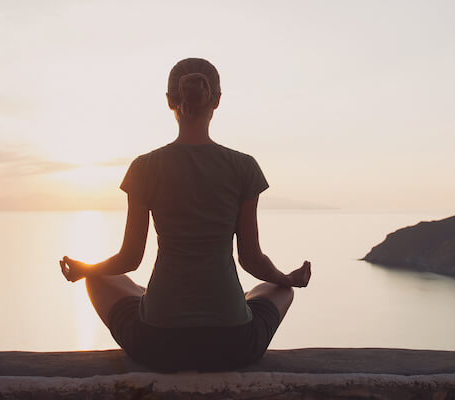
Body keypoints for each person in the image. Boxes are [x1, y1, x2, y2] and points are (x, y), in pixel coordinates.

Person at [59, 58, 311, 372]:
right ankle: (233, 299)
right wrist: (287, 278)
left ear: (169, 102)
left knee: (96, 280)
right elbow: (252, 259)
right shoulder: (243, 166)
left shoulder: (145, 167)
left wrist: (86, 269)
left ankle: (148, 296)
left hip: (158, 343)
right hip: (232, 343)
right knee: (277, 290)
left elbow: (130, 259)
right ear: (217, 100)